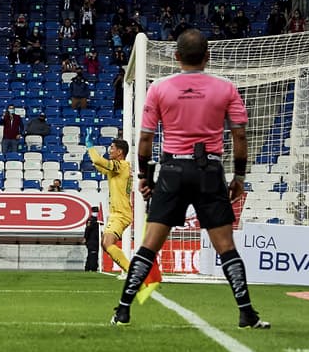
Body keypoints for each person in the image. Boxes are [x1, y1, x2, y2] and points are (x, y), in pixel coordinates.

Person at [112, 30, 269, 329]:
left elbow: (145, 138)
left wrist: (145, 175)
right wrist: (238, 176)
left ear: (177, 56)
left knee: (149, 245)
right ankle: (246, 312)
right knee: (226, 246)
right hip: (209, 170)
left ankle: (123, 310)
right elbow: (239, 135)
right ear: (208, 56)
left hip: (172, 172)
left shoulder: (159, 88)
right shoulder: (226, 88)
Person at [86, 135, 161, 291]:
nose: (110, 150)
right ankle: (132, 273)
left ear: (120, 151)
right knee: (106, 244)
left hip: (121, 213)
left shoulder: (122, 165)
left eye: (112, 148)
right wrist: (92, 153)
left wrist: (90, 147)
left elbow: (100, 161)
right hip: (117, 213)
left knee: (107, 243)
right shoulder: (117, 168)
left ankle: (133, 274)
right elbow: (99, 165)